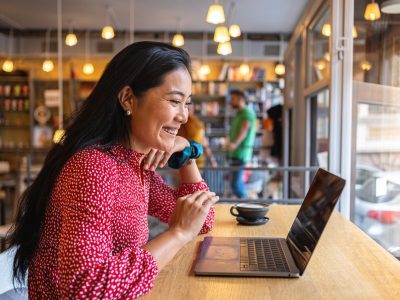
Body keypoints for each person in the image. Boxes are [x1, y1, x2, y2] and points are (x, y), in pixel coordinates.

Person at [8, 41, 218, 299]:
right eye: (175, 101)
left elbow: (202, 219)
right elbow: (85, 290)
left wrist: (186, 154)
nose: (184, 116)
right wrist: (178, 234)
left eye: (187, 103)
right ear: (128, 98)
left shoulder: (134, 165)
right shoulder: (93, 167)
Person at [226, 89, 256, 198]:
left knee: (236, 184)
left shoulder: (247, 112)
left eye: (232, 98)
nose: (230, 101)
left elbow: (244, 129)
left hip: (241, 153)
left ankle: (248, 206)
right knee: (234, 184)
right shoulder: (239, 113)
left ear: (240, 99)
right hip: (236, 153)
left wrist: (234, 144)